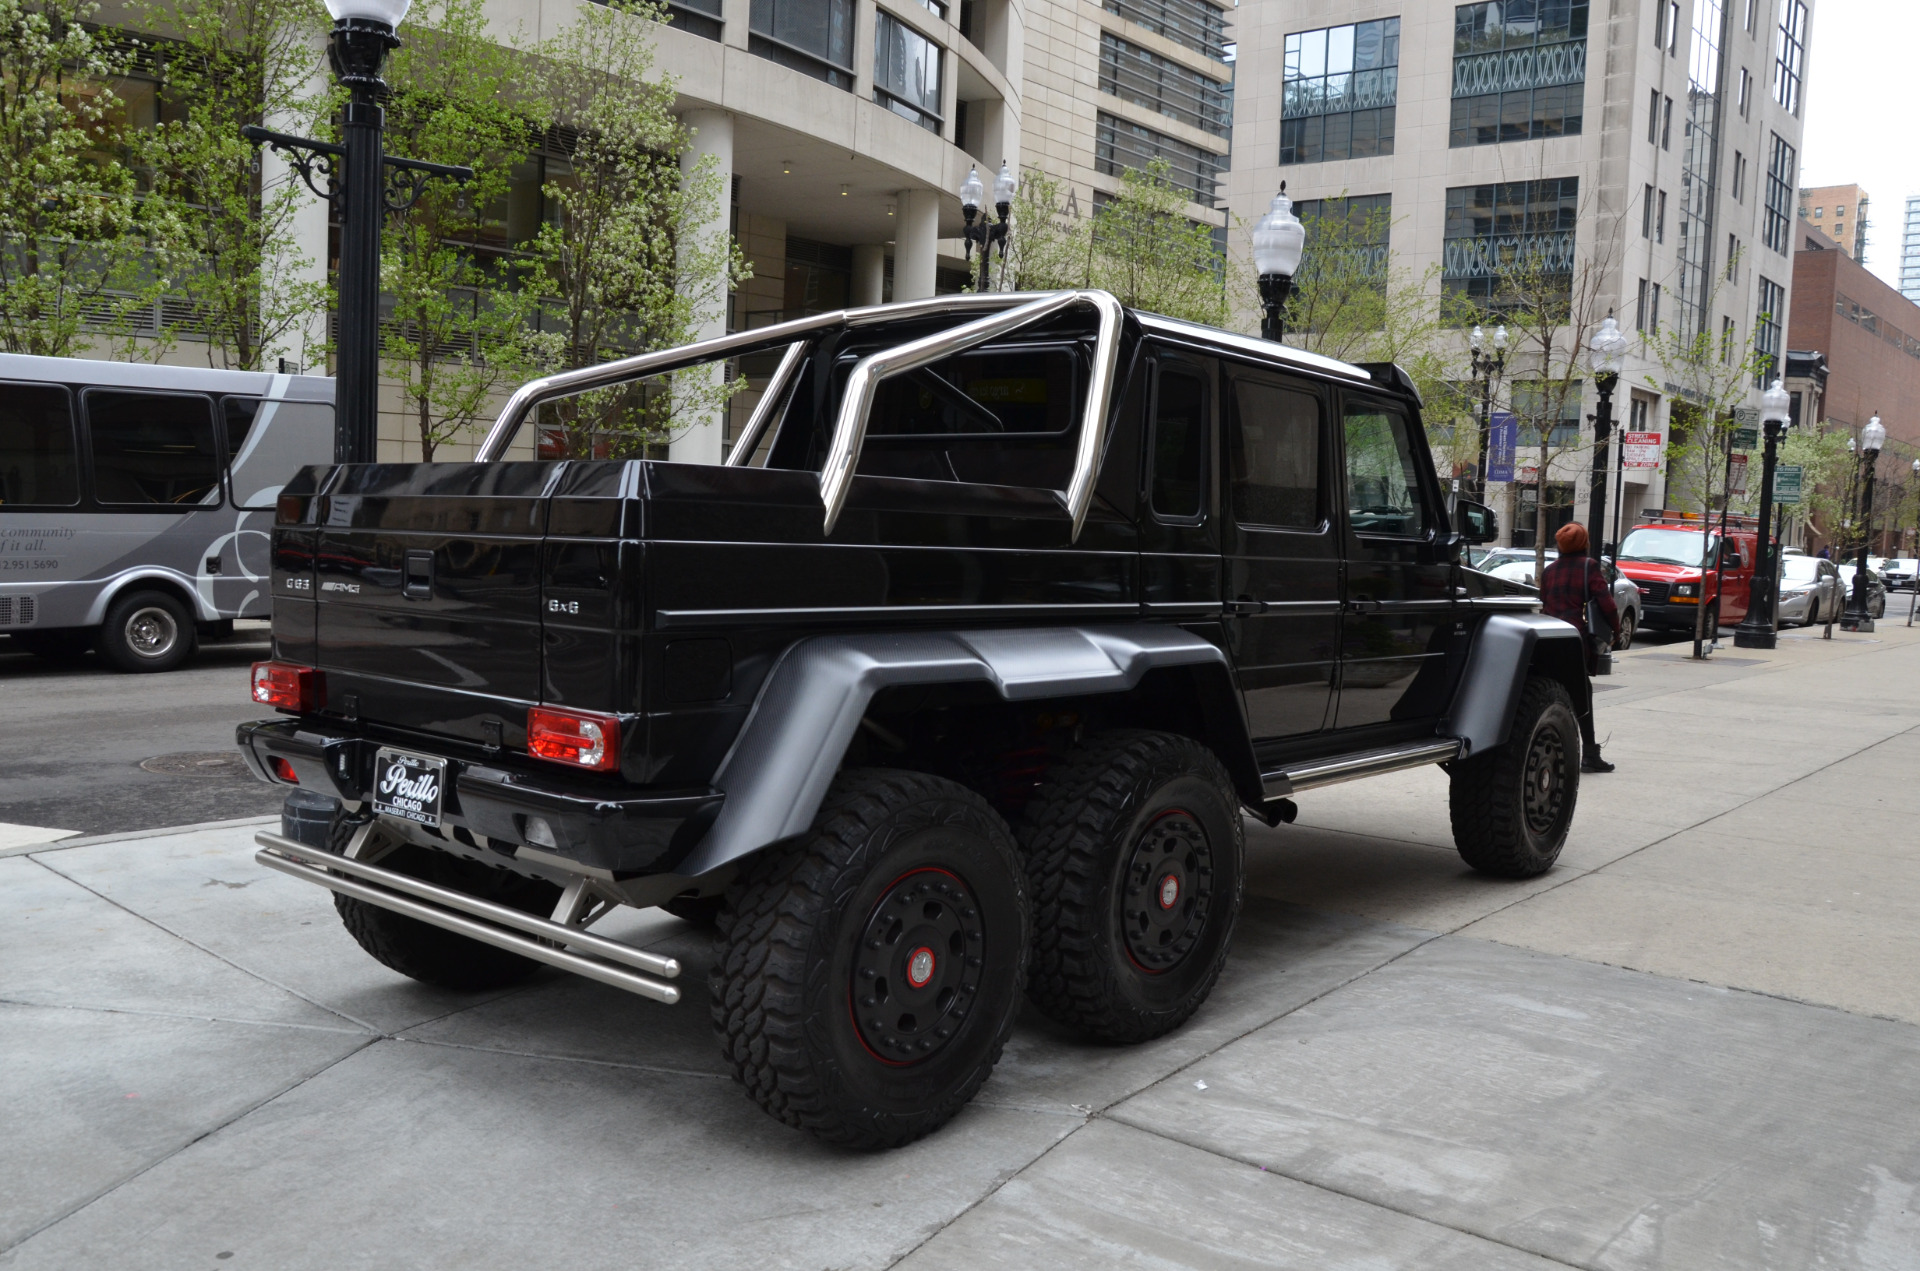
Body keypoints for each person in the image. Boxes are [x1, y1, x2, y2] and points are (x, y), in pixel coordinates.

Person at [1538, 521, 1618, 773]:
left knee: (1553, 694)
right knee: (1582, 695)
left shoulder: (1550, 571)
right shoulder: (1589, 567)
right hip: (1575, 642)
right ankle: (1590, 754)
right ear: (1584, 543)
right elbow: (1607, 604)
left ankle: (1548, 749)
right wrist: (1616, 629)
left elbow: (1543, 605)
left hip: (1549, 642)